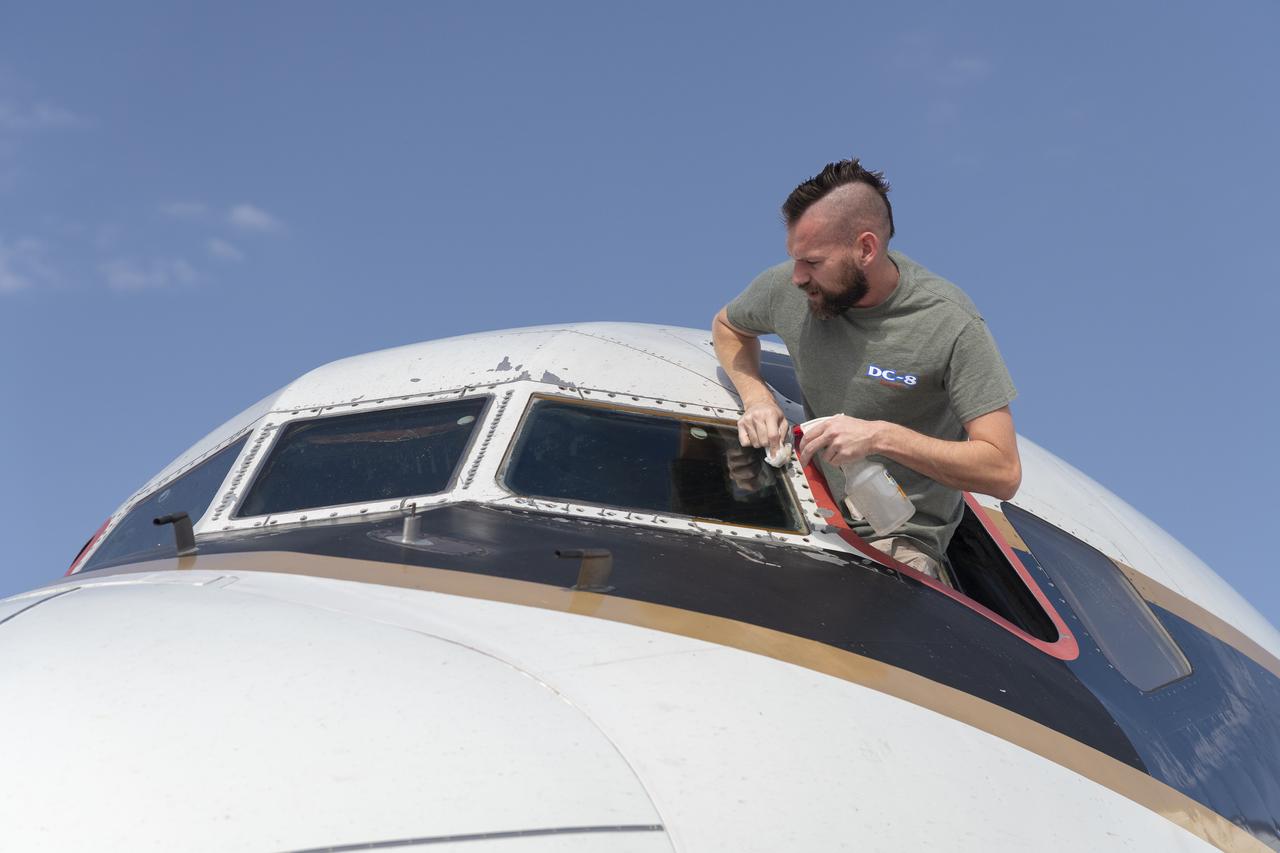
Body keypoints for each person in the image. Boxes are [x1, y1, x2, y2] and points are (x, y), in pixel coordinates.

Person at [711, 158, 1021, 583]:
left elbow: (1003, 472)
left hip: (895, 541)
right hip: (805, 513)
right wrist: (756, 396)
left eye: (814, 262)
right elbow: (728, 325)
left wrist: (880, 436)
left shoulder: (950, 324)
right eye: (795, 259)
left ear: (866, 249)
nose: (798, 277)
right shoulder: (789, 288)